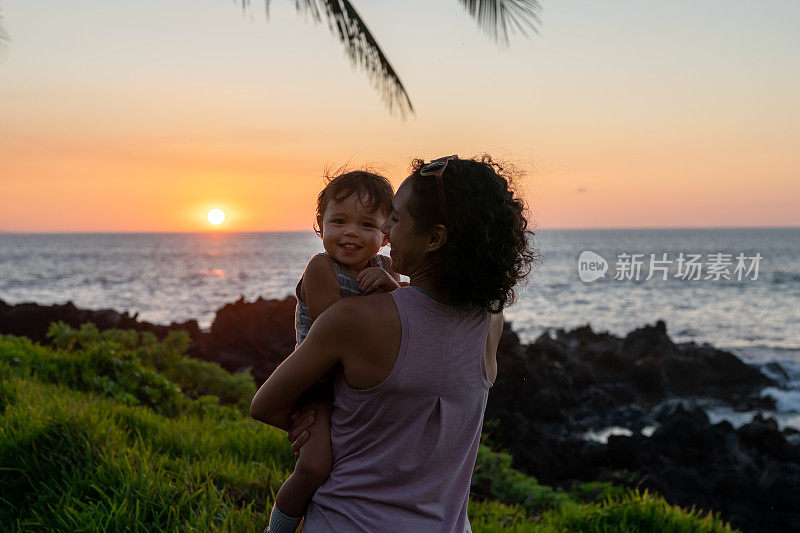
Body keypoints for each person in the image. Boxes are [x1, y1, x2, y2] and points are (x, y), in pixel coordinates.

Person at [251, 155, 534, 531]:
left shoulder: (354, 320)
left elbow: (265, 404)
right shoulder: (489, 321)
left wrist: (309, 424)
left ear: (434, 238)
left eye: (396, 219)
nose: (386, 228)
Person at [267, 170, 402, 532]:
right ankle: (276, 529)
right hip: (317, 381)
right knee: (314, 466)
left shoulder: (386, 269)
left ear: (386, 234)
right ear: (319, 225)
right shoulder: (320, 267)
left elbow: (408, 318)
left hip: (357, 380)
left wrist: (392, 287)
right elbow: (333, 329)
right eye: (339, 221)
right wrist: (385, 299)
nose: (351, 233)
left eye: (367, 224)